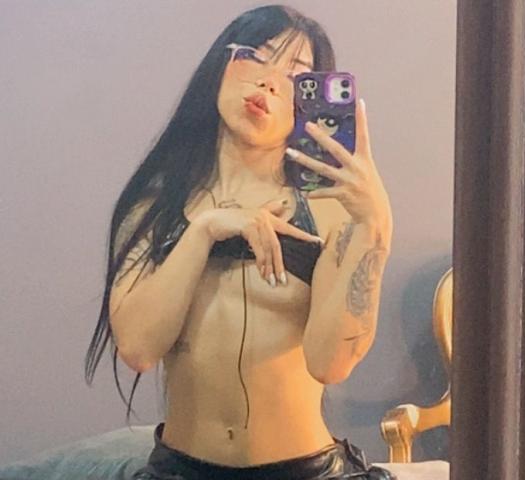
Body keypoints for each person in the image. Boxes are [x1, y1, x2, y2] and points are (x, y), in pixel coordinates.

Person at [85, 4, 394, 479]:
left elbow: (331, 364)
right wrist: (205, 230)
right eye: (256, 57)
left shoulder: (329, 211)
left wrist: (375, 225)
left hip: (305, 471)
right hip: (180, 469)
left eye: (296, 77)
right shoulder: (155, 208)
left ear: (309, 103)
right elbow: (138, 348)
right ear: (220, 65)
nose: (269, 83)